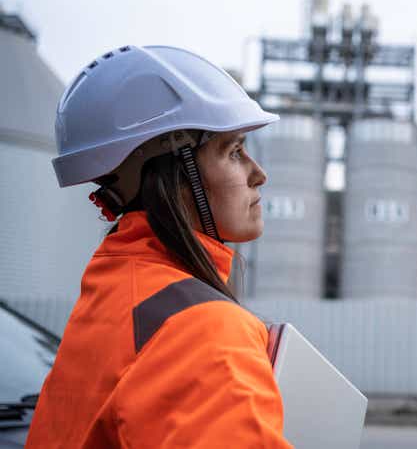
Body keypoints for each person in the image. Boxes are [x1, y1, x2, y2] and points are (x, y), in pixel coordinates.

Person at [25, 45, 293, 448]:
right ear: (173, 172)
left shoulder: (117, 293)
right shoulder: (201, 330)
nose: (259, 174)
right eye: (233, 151)